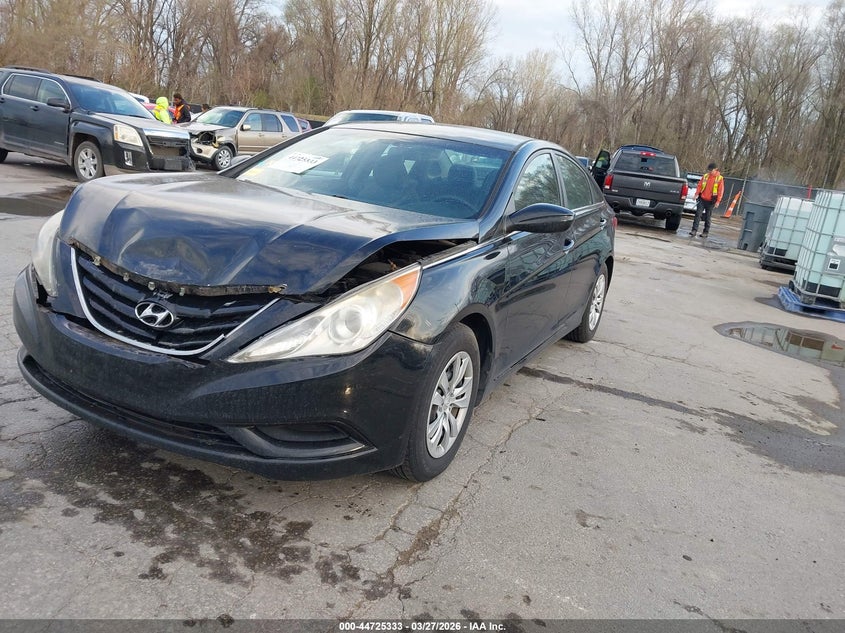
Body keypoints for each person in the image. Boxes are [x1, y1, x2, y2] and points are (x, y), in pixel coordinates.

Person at [690, 162, 724, 238]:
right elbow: (700, 185)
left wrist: (718, 201)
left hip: (711, 201)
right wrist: (696, 194)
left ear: (716, 170)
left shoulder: (720, 179)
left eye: (711, 170)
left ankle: (705, 232)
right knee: (698, 215)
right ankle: (694, 230)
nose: (710, 172)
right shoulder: (705, 176)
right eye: (709, 170)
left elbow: (720, 191)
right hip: (702, 199)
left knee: (708, 217)